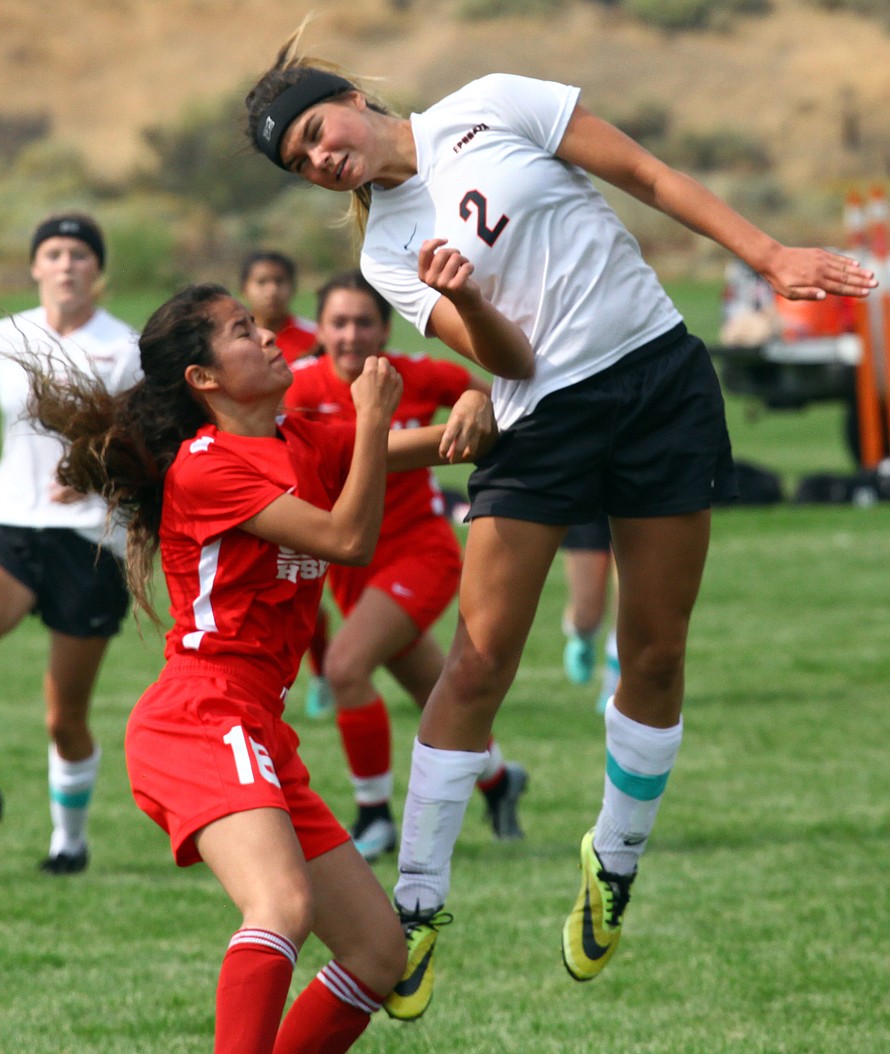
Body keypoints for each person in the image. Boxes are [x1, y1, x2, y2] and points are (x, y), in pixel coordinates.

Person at [244, 28, 876, 1016]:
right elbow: (514, 361)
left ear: (355, 100)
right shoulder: (385, 246)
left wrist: (769, 252)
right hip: (542, 421)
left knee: (656, 652)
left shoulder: (495, 99)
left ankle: (614, 861)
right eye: (302, 164)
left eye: (318, 133)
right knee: (480, 660)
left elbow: (652, 178)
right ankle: (415, 907)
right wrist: (466, 299)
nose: (323, 160)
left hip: (661, 382)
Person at [23, 283, 497, 1050]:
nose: (270, 335)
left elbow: (449, 442)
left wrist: (478, 410)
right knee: (280, 906)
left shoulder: (303, 438)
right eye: (243, 331)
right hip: (201, 716)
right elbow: (347, 540)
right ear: (203, 380)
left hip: (257, 728)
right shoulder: (207, 468)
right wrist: (375, 414)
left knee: (379, 953)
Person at [284, 269, 527, 861]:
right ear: (320, 330)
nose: (350, 335)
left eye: (363, 322)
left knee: (344, 668)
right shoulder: (297, 388)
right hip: (349, 561)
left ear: (386, 328)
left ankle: (373, 814)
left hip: (421, 551)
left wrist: (473, 397)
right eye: (337, 323)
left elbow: (501, 393)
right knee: (435, 691)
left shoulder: (416, 375)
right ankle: (498, 780)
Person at [0, 213, 141, 875]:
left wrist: (98, 475)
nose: (67, 263)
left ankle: (68, 844)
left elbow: (147, 442)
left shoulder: (126, 347)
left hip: (91, 542)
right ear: (35, 267)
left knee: (63, 719)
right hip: (13, 529)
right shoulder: (4, 335)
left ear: (96, 270)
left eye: (80, 253)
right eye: (54, 252)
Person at [239, 248, 335, 719]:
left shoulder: (317, 340)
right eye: (261, 280)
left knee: (307, 581)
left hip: (308, 465)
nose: (271, 289)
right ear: (246, 289)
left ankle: (322, 673)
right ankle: (309, 674)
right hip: (257, 473)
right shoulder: (237, 346)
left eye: (280, 280)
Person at [560, 517, 620, 714]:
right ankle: (582, 637)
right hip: (588, 494)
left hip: (641, 491)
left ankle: (616, 684)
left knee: (631, 596)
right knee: (586, 614)